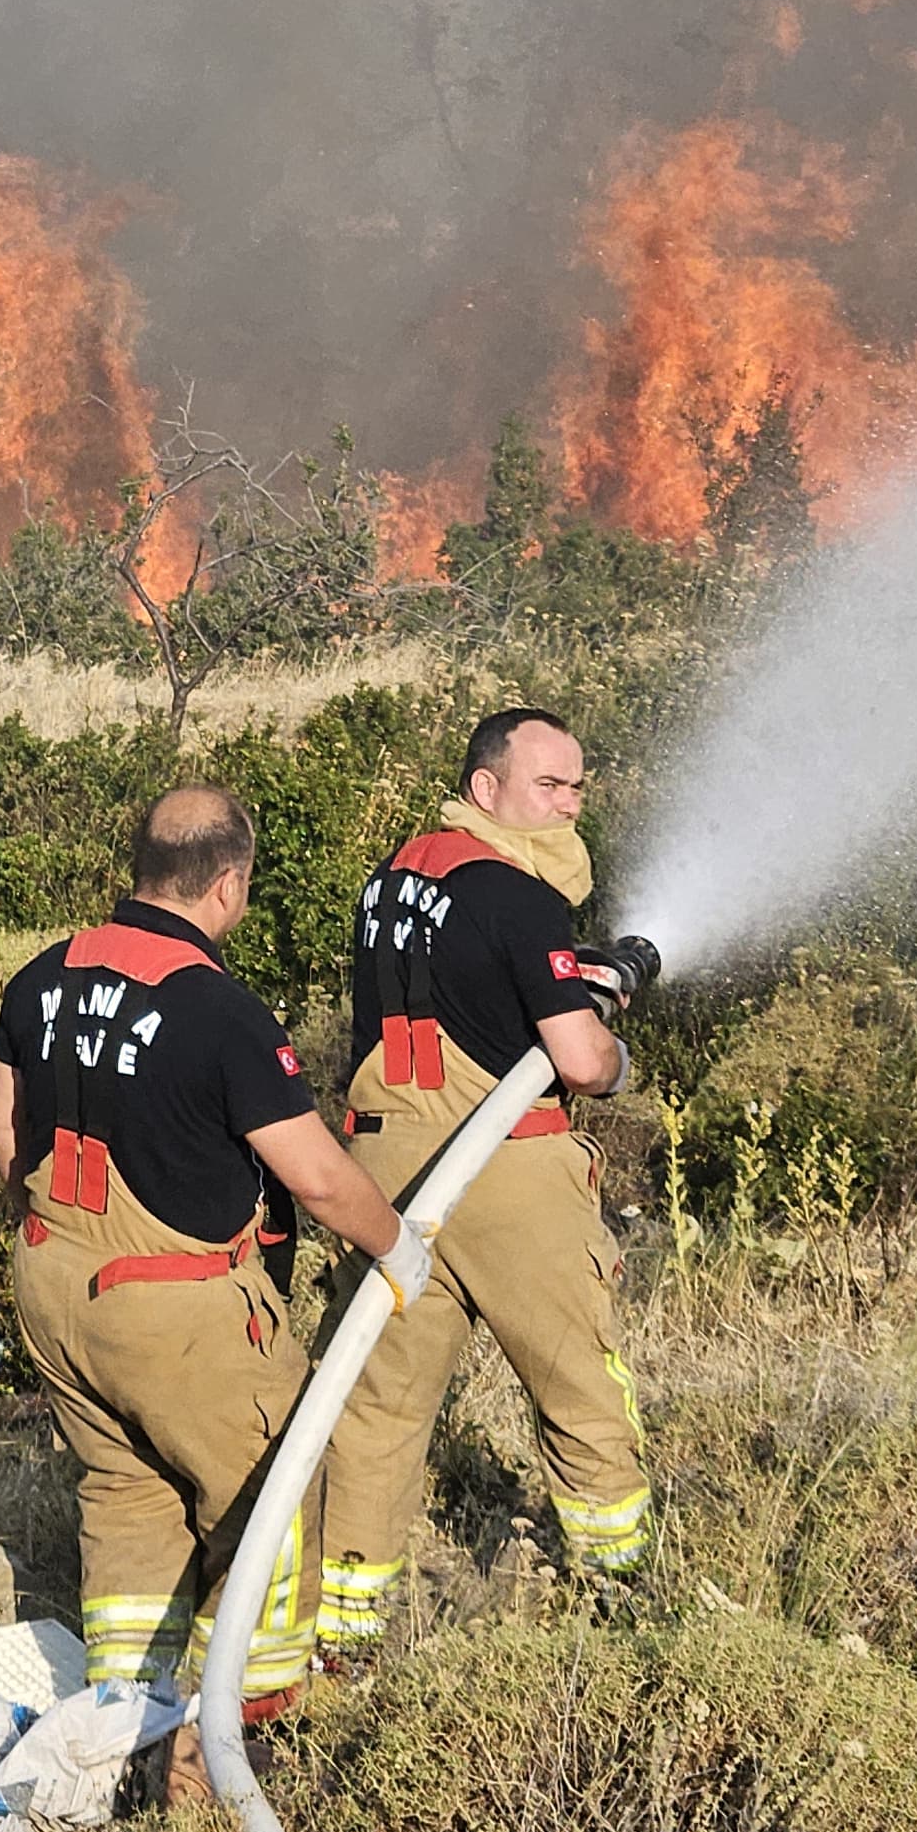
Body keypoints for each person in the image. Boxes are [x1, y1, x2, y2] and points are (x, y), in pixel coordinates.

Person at [0, 781, 432, 1733]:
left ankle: (121, 1720)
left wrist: (46, 1229)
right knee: (274, 1487)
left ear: (142, 869)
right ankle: (244, 1725)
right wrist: (398, 1244)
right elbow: (313, 1176)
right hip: (175, 1308)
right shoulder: (220, 1012)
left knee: (126, 1487)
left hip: (50, 1281)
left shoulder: (40, 976)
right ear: (227, 886)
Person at [314, 706, 646, 1666]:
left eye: (578, 786)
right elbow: (578, 1061)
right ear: (485, 786)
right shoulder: (519, 894)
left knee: (377, 1404)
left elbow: (457, 992)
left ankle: (342, 1632)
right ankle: (620, 1598)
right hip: (502, 1172)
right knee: (580, 1384)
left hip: (384, 1168)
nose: (568, 805)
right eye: (549, 785)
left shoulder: (392, 879)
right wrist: (616, 1059)